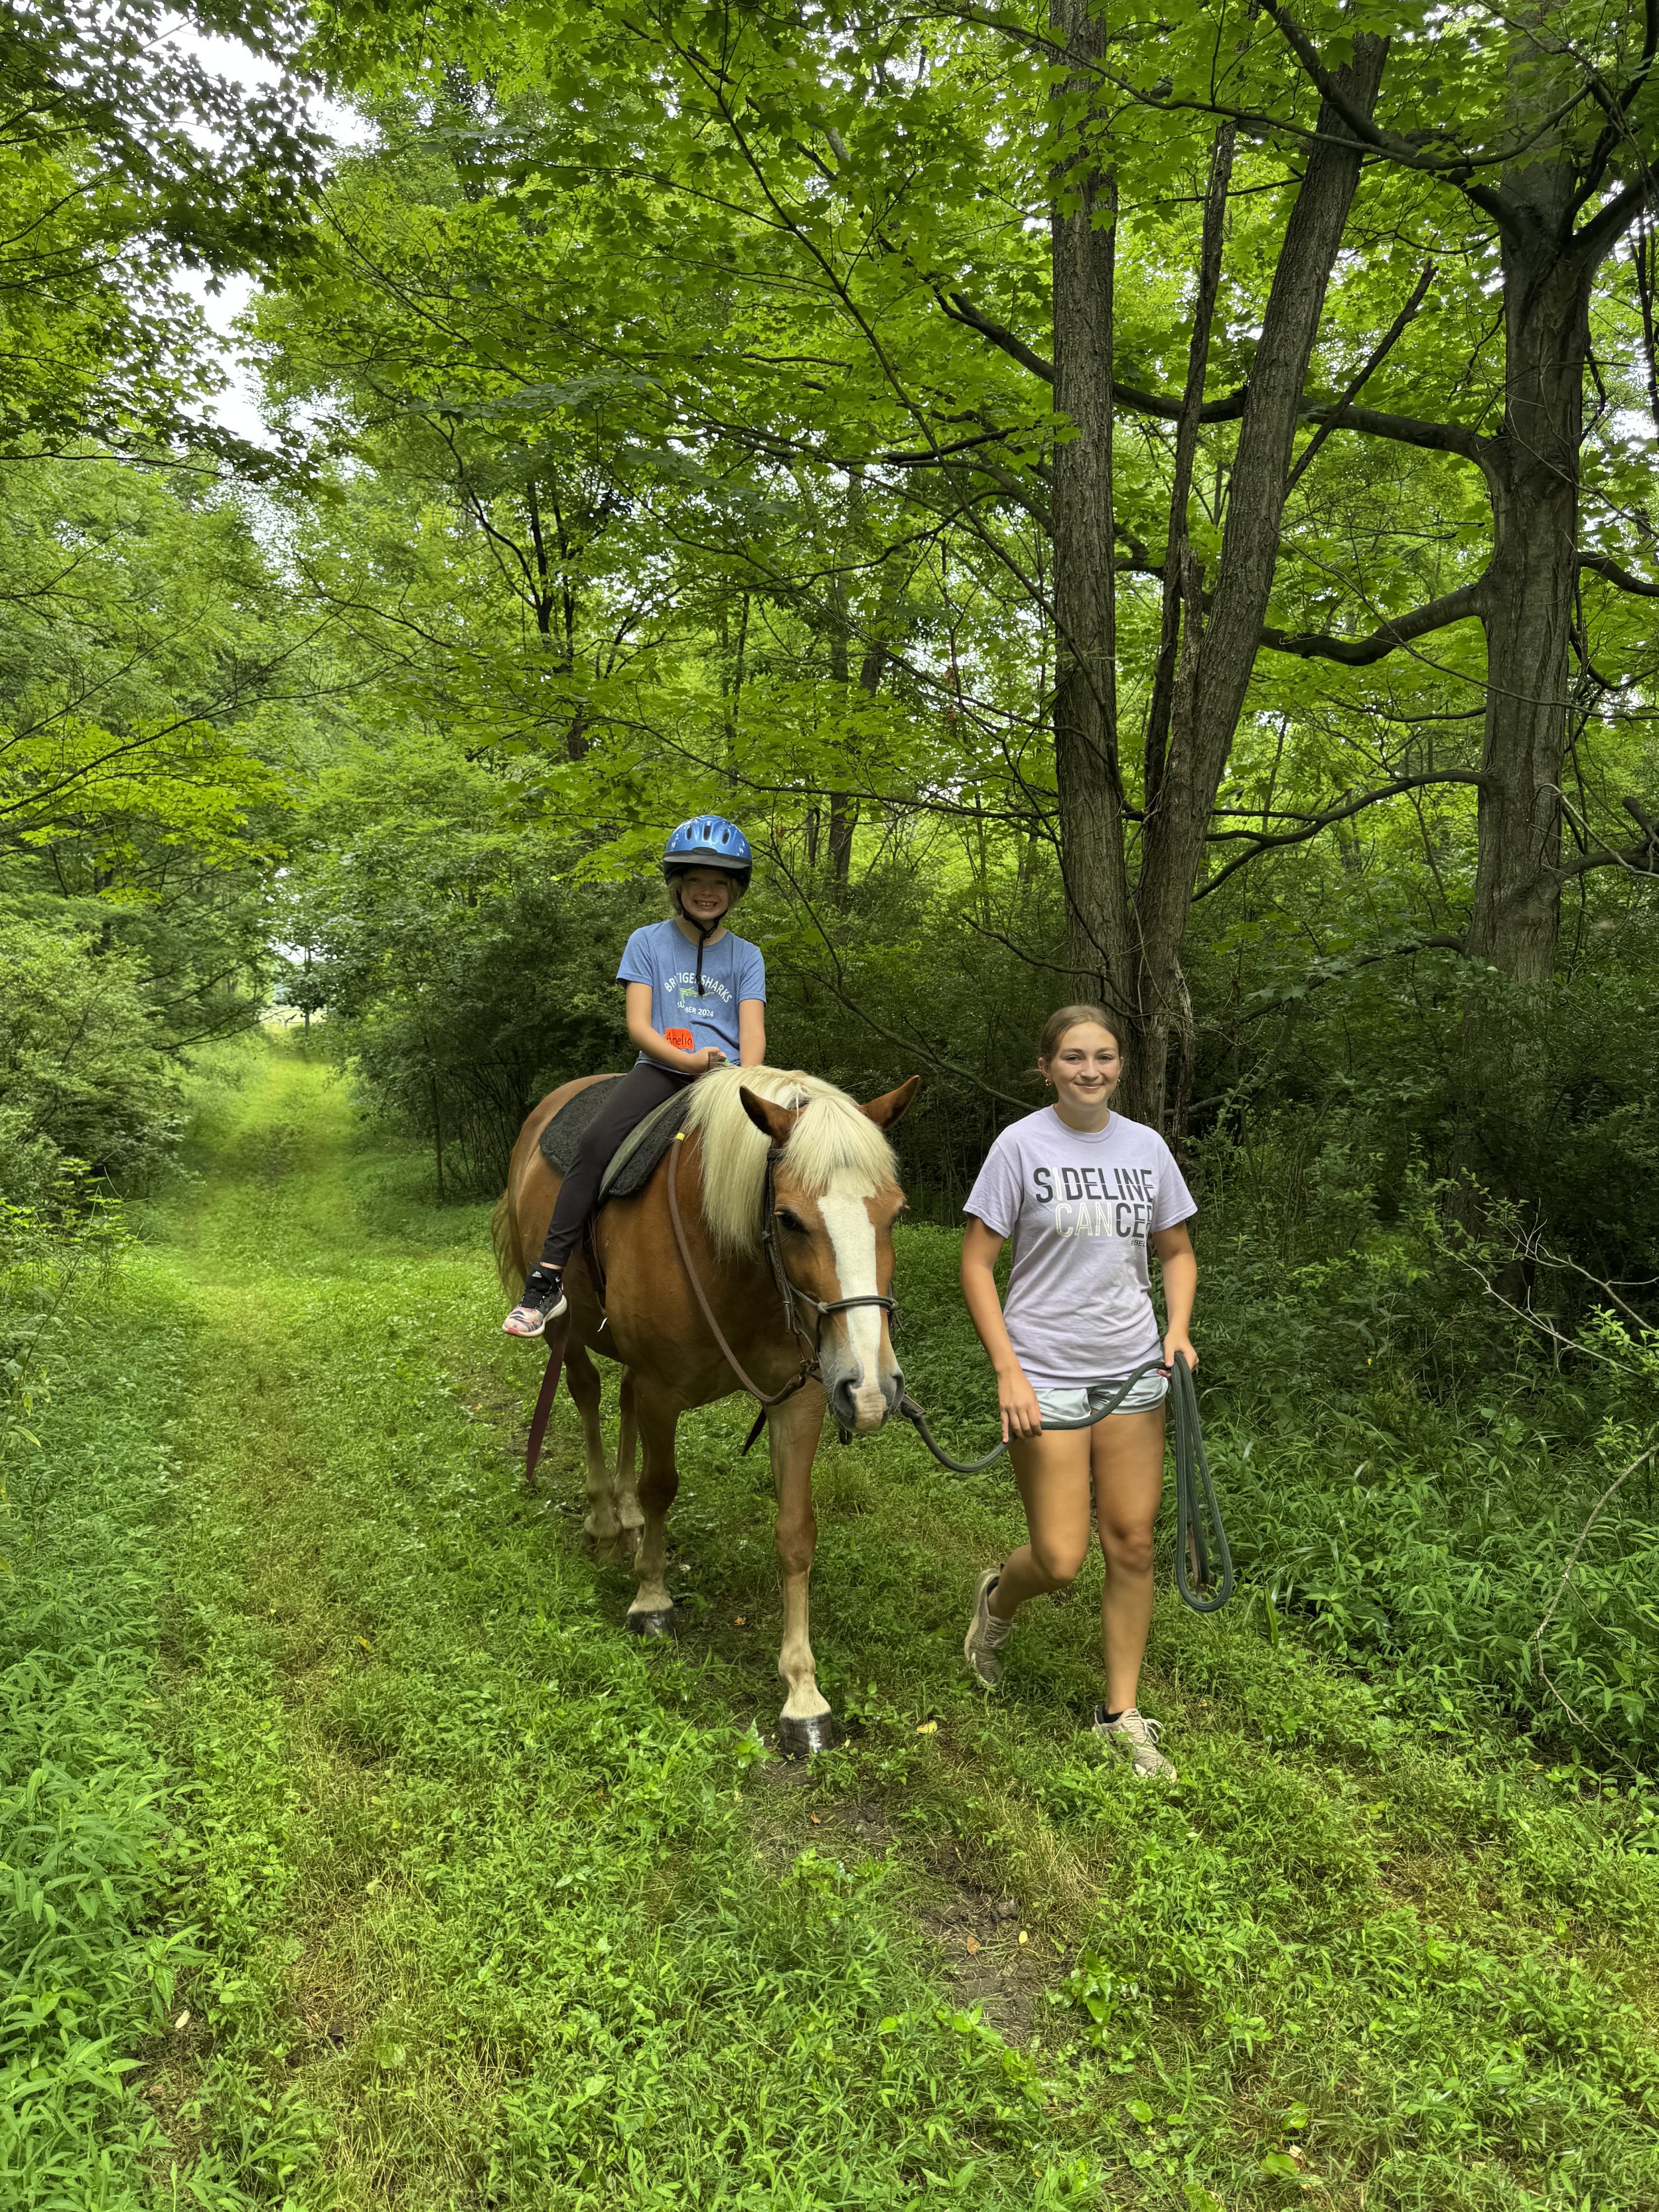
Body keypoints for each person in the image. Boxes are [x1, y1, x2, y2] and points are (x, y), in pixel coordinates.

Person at [958, 1005, 1198, 1779]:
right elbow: (975, 1264)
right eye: (1072, 1057)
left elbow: (1176, 1251)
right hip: (1044, 1372)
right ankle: (998, 1601)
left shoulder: (1146, 1148)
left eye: (1102, 1057)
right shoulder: (1019, 1145)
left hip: (1132, 1372)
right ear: (1045, 1067)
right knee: (1060, 1559)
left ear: (1119, 1064)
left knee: (1131, 1543)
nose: (1089, 1070)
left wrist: (1176, 1329)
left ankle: (1120, 1715)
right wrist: (1007, 1369)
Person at [502, 816, 766, 1337]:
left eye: (719, 882)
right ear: (677, 885)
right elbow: (640, 1026)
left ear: (735, 890)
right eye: (695, 879)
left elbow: (753, 1035)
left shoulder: (747, 956)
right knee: (596, 1143)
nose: (707, 891)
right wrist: (689, 1062)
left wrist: (747, 1082)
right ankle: (547, 1280)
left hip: (728, 1082)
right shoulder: (647, 942)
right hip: (663, 1071)